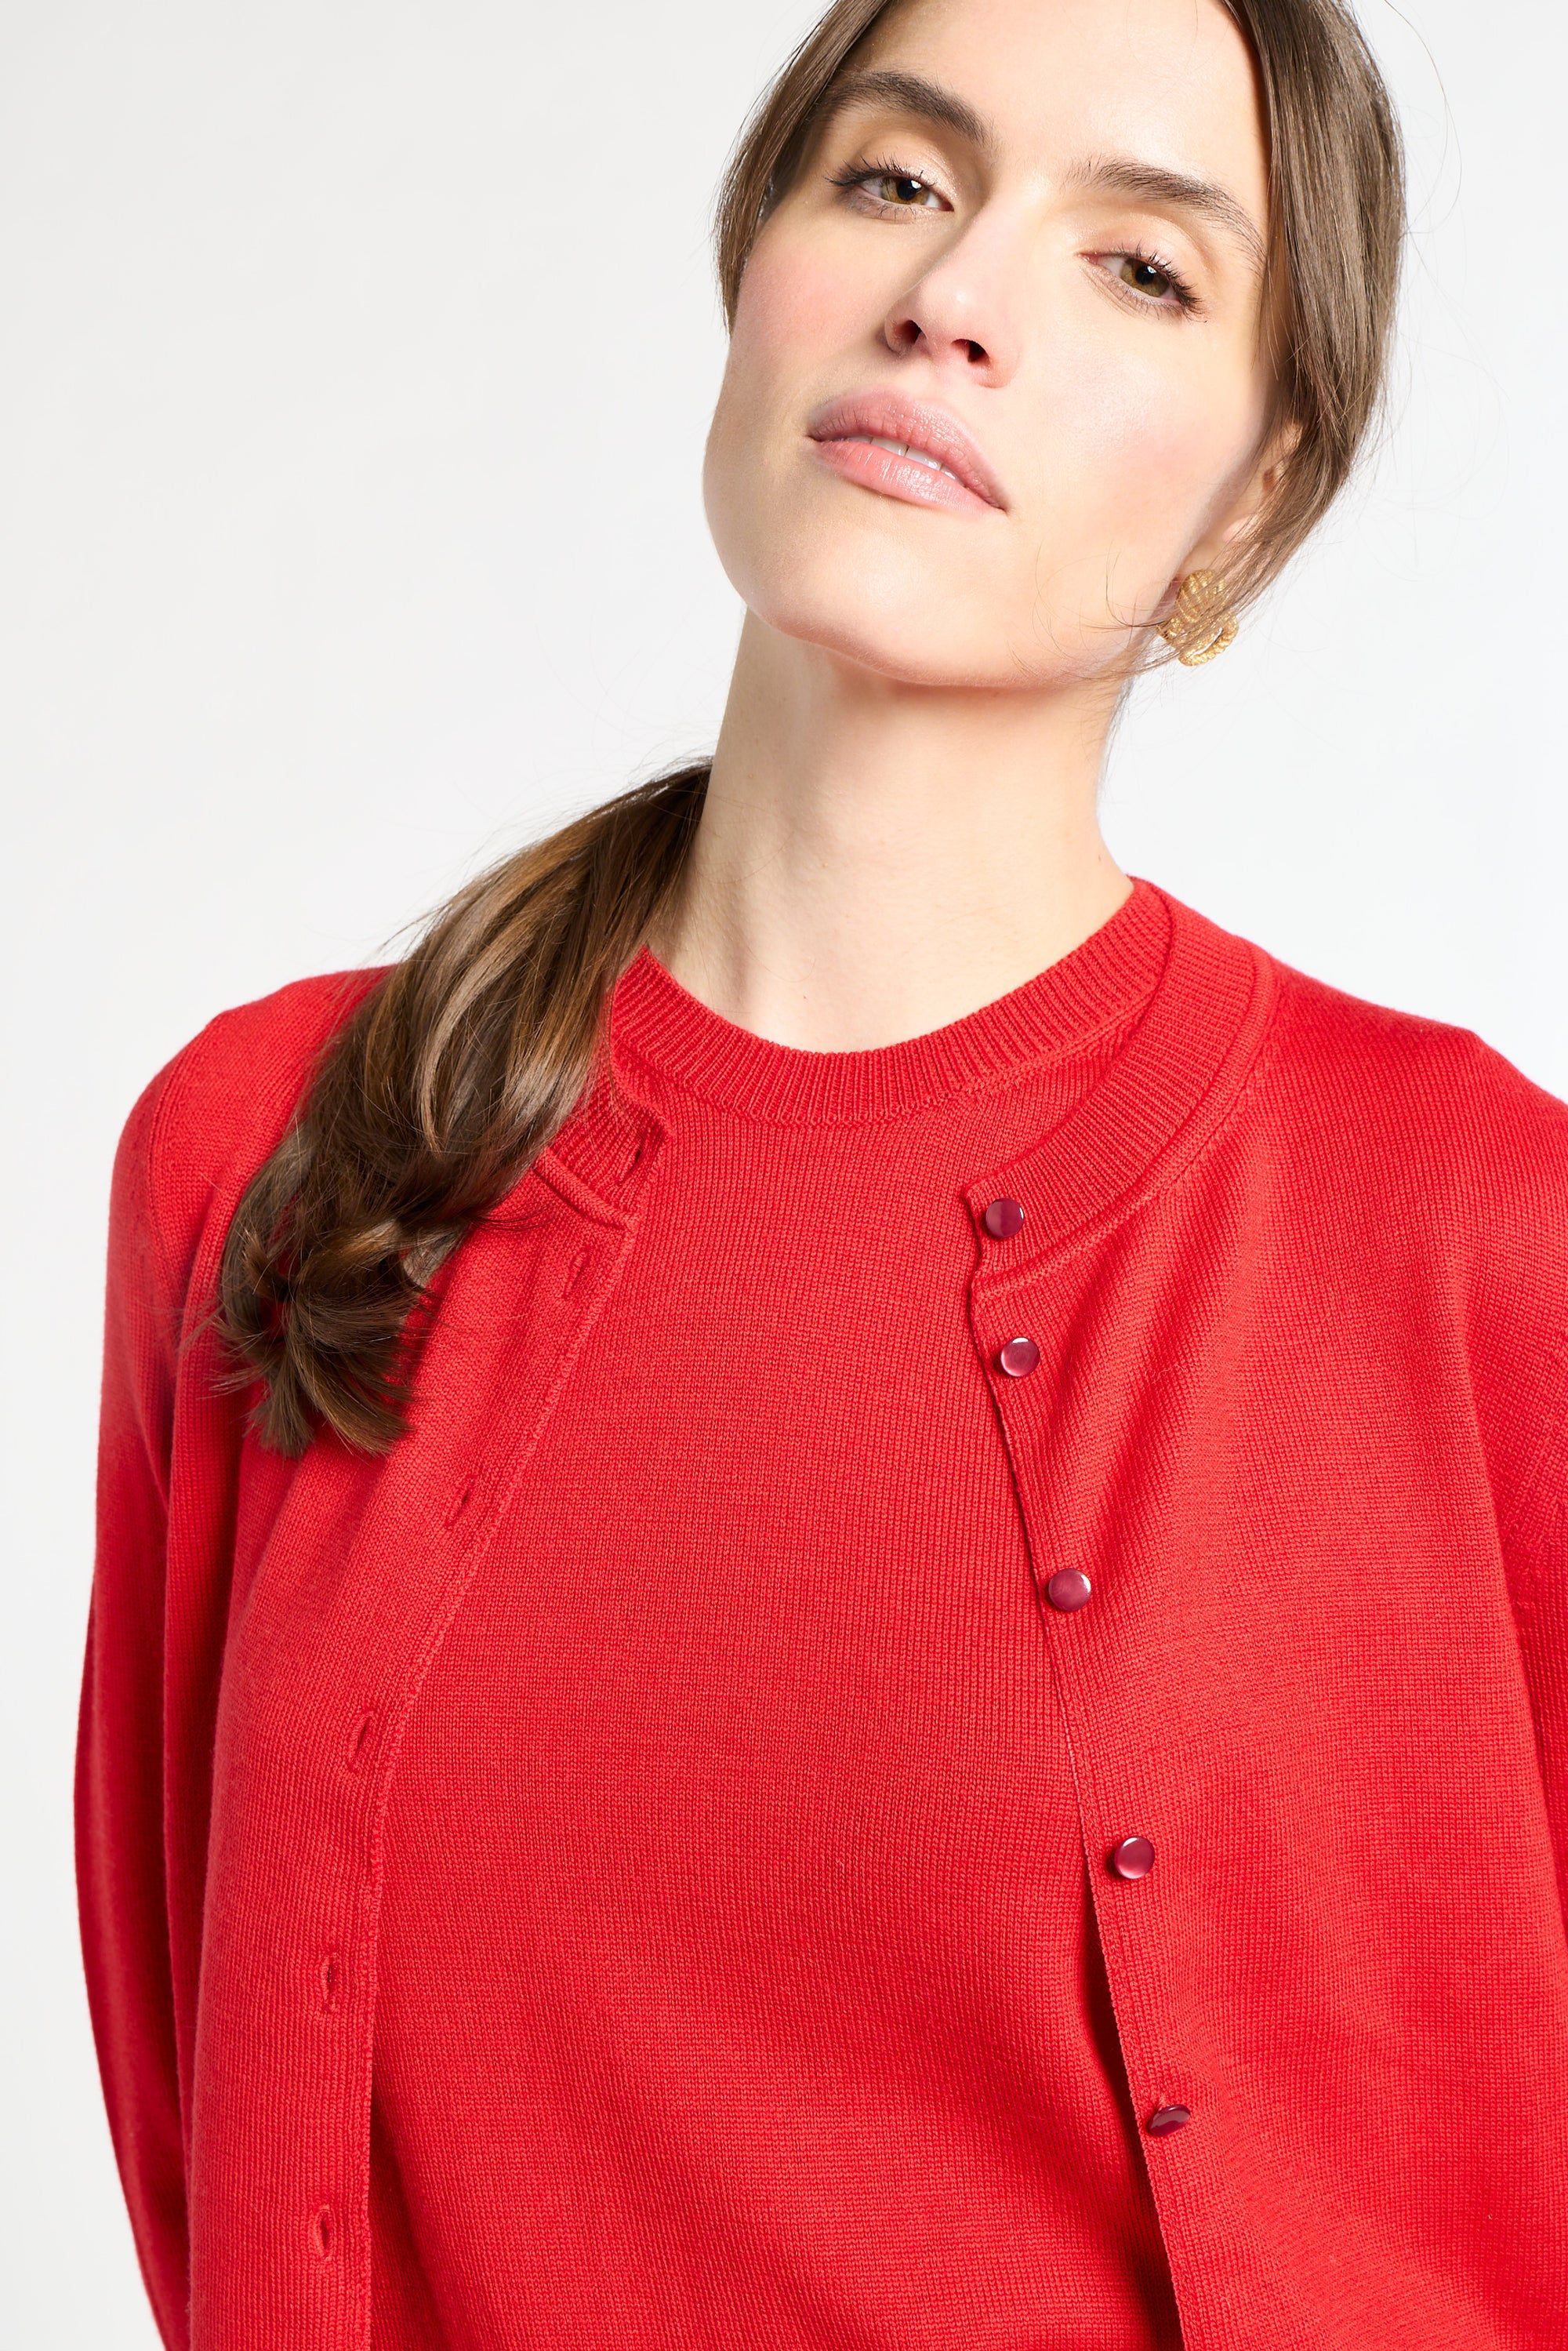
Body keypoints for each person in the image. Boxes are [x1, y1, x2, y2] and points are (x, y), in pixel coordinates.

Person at [75, 0, 1568, 2344]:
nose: (954, 291)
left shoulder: (1468, 1234)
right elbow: (211, 2139)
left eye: (1140, 266)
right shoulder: (275, 1166)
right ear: (753, 266)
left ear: (1257, 495)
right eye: (892, 177)